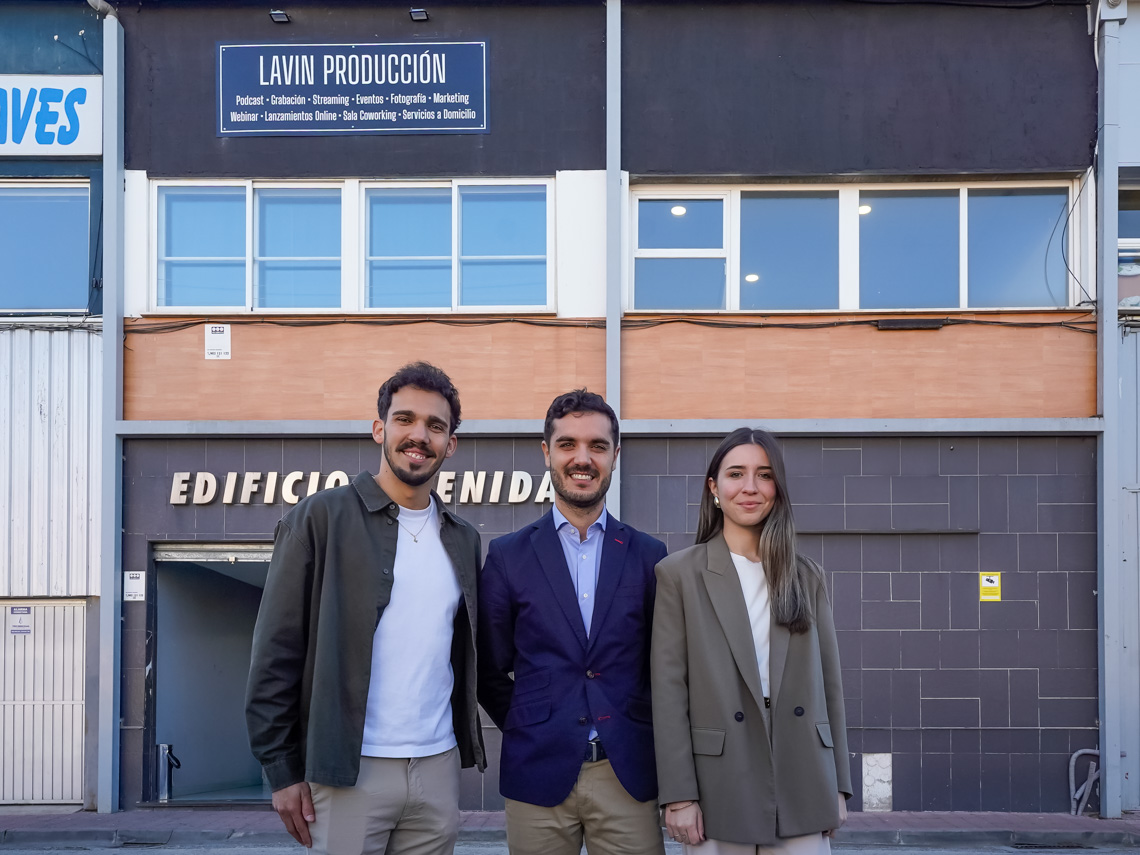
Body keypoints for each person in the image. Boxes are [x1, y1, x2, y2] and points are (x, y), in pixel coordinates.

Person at [245, 362, 484, 855]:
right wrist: (282, 771)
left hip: (437, 768)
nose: (419, 435)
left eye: (436, 426)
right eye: (405, 419)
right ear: (380, 428)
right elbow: (275, 653)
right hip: (348, 771)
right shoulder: (318, 519)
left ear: (451, 444)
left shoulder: (464, 539)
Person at [478, 389, 668, 855]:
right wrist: (535, 726)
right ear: (547, 453)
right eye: (567, 444)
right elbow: (488, 669)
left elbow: (662, 670)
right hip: (538, 774)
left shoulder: (649, 555)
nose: (582, 458)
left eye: (597, 446)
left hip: (627, 775)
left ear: (615, 456)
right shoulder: (508, 556)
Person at [651, 427, 852, 855]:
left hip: (802, 778)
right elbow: (668, 693)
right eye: (735, 474)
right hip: (718, 783)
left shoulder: (806, 575)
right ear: (714, 488)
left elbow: (828, 686)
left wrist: (838, 784)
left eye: (764, 475)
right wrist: (679, 795)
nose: (750, 487)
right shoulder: (679, 574)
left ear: (777, 488)